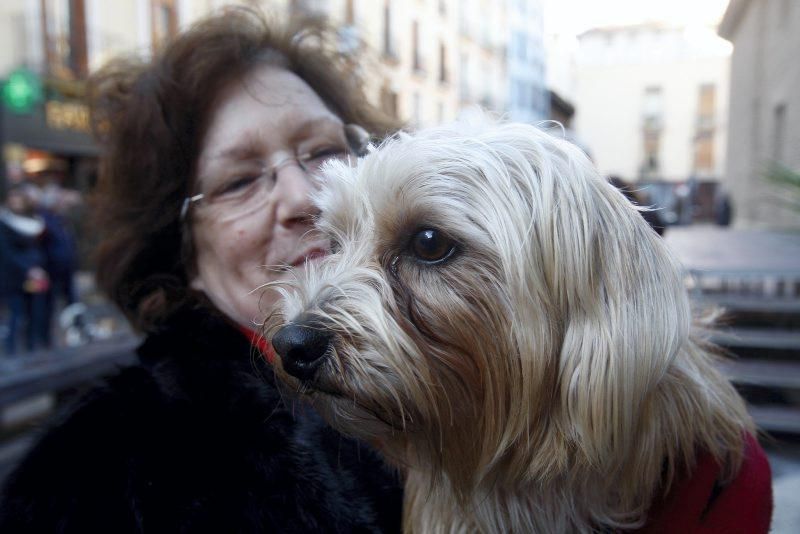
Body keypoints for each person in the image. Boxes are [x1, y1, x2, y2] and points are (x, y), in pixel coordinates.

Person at [0, 8, 403, 532]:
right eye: (239, 181)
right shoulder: (95, 478)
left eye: (325, 151)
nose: (304, 197)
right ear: (184, 253)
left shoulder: (484, 359)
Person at [0, 184, 50, 355]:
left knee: (34, 313)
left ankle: (31, 348)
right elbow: (7, 253)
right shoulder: (4, 223)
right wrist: (28, 268)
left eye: (19, 199)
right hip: (14, 278)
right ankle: (11, 351)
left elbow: (37, 249)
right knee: (16, 314)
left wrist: (38, 268)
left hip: (35, 276)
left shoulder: (34, 221)